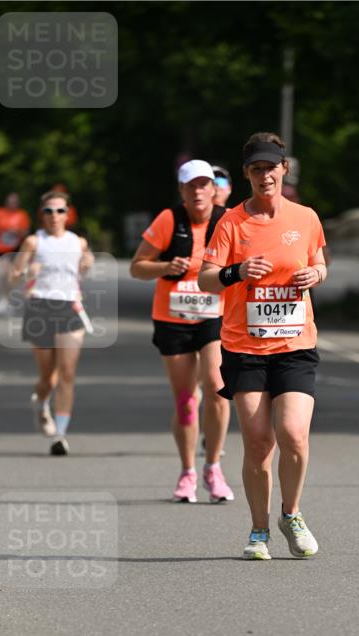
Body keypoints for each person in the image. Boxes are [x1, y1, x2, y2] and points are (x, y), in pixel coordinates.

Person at [199, 132, 327, 560]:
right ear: (246, 175)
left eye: (271, 167)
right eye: (256, 169)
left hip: (295, 343)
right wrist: (236, 271)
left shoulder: (306, 217)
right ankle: (258, 530)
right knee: (258, 442)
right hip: (244, 347)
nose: (265, 175)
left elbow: (320, 261)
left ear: (284, 169)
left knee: (293, 434)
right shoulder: (232, 222)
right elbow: (206, 277)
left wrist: (316, 275)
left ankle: (290, 514)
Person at [130, 159, 235, 504]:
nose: (198, 191)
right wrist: (165, 266)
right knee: (187, 402)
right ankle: (188, 471)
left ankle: (214, 468)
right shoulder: (168, 220)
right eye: (191, 186)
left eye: (204, 184)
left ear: (213, 189)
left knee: (218, 388)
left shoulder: (228, 219)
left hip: (214, 316)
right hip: (172, 317)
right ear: (182, 191)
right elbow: (137, 268)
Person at [9, 189, 93, 455]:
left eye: (60, 211)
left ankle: (60, 434)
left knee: (67, 374)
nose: (54, 216)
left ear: (68, 214)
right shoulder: (34, 242)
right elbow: (12, 277)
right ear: (41, 215)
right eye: (48, 211)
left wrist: (87, 263)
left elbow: (84, 266)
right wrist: (25, 273)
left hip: (69, 308)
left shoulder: (78, 242)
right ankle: (41, 403)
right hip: (40, 308)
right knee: (48, 376)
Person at [0, 193, 31, 312]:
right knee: (3, 273)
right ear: (6, 202)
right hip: (0, 249)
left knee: (12, 275)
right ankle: (3, 299)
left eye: (14, 202)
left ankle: (9, 298)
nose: (12, 204)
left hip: (16, 248)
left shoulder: (22, 215)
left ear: (18, 203)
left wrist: (17, 232)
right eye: (10, 201)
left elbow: (26, 233)